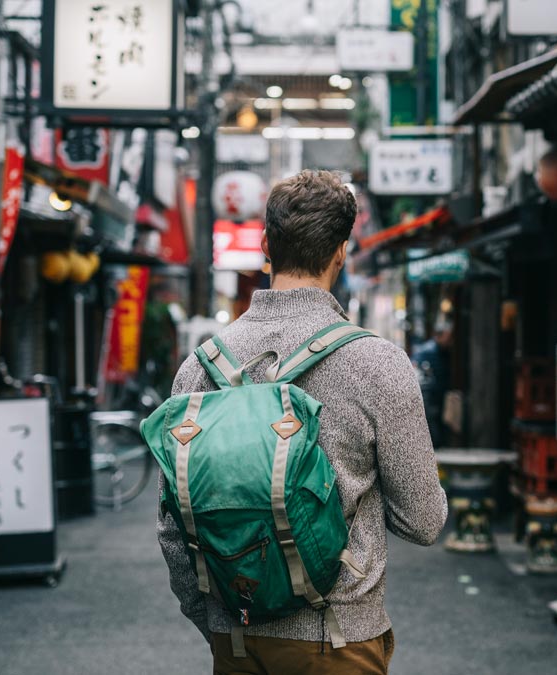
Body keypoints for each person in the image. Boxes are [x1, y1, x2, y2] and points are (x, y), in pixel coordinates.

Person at [157, 170, 448, 675]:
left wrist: (216, 622)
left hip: (237, 639)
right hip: (338, 640)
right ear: (341, 251)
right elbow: (424, 521)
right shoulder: (377, 364)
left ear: (266, 245)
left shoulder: (199, 367)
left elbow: (172, 528)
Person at [410, 317, 453, 449]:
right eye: (449, 337)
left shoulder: (442, 351)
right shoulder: (427, 351)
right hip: (429, 395)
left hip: (437, 394)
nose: (451, 341)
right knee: (432, 424)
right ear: (440, 336)